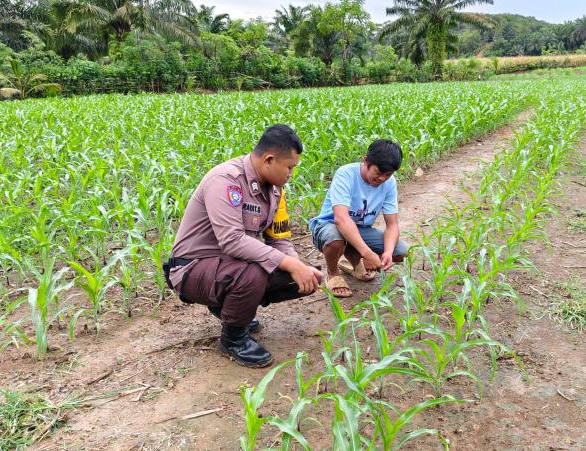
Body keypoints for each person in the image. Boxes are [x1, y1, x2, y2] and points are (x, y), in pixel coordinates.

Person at [164, 124, 323, 368]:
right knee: (256, 272)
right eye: (289, 167)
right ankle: (233, 339)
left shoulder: (275, 191)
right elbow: (232, 240)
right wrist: (289, 263)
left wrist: (298, 267)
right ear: (269, 159)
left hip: (228, 268)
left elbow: (279, 239)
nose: (291, 174)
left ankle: (231, 309)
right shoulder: (227, 180)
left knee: (299, 277)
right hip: (192, 269)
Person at [308, 139, 409, 298]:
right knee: (336, 239)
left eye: (388, 175)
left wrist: (388, 252)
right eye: (379, 172)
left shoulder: (389, 184)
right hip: (329, 225)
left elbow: (392, 225)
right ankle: (333, 273)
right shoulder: (346, 174)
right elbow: (340, 219)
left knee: (400, 251)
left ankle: (351, 260)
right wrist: (368, 253)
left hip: (360, 230)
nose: (382, 178)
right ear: (366, 160)